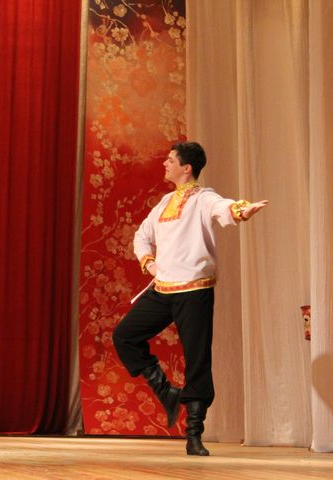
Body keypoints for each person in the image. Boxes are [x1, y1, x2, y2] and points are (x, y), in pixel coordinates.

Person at [112, 142, 268, 456]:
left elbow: (223, 207)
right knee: (124, 335)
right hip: (163, 288)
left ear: (187, 168)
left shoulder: (203, 198)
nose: (165, 164)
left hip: (194, 289)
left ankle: (194, 433)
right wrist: (149, 262)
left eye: (170, 160)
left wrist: (241, 210)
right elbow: (142, 235)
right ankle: (166, 391)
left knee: (197, 360)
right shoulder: (164, 202)